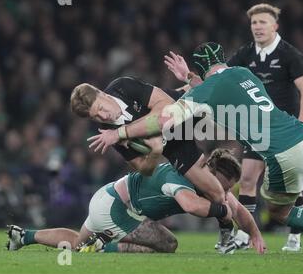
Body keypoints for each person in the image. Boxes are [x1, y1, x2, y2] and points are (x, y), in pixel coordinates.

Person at [89, 42, 303, 256]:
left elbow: (163, 119)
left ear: (200, 71)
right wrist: (190, 81)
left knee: (283, 215)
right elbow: (217, 88)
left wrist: (120, 133)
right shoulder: (243, 73)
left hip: (284, 151)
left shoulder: (206, 91)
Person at [164, 3, 303, 252]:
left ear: (275, 25)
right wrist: (188, 81)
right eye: (254, 23)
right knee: (246, 179)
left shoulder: (289, 55)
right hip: (255, 129)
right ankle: (247, 234)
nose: (257, 27)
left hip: (284, 127)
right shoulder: (245, 55)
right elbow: (216, 79)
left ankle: (295, 236)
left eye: (262, 22)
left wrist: (302, 123)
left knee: (292, 183)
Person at [70, 77, 240, 252]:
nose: (103, 116)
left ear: (101, 93)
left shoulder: (122, 87)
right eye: (96, 116)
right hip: (176, 144)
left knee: (223, 98)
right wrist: (155, 152)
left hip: (185, 109)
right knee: (217, 194)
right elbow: (144, 169)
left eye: (101, 108)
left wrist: (124, 132)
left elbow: (167, 106)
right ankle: (229, 236)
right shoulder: (108, 132)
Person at [7, 147, 266, 255]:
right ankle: (100, 247)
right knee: (168, 243)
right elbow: (191, 206)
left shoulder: (204, 179)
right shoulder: (181, 178)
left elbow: (236, 208)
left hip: (109, 198)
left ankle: (24, 236)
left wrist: (254, 233)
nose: (223, 192)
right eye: (223, 186)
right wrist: (222, 212)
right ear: (212, 173)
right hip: (118, 208)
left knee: (76, 243)